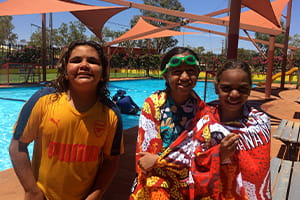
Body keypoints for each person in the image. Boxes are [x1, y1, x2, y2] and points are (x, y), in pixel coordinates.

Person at [9, 40, 124, 200]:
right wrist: (32, 191)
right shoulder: (44, 100)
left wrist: (95, 195)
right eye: (76, 60)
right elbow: (17, 146)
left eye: (92, 61)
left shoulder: (111, 114)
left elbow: (111, 160)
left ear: (103, 74)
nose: (84, 65)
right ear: (65, 71)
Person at [130, 47, 208, 199]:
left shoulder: (203, 111)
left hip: (189, 180)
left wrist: (160, 161)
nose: (185, 77)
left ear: (197, 74)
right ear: (166, 75)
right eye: (177, 72)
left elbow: (202, 154)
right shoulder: (152, 104)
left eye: (190, 71)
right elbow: (146, 157)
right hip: (158, 180)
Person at [212, 60, 271, 200]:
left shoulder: (261, 121)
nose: (234, 94)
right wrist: (217, 154)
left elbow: (261, 171)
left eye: (242, 89)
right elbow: (191, 161)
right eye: (226, 88)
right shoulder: (204, 121)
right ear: (216, 88)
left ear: (250, 89)